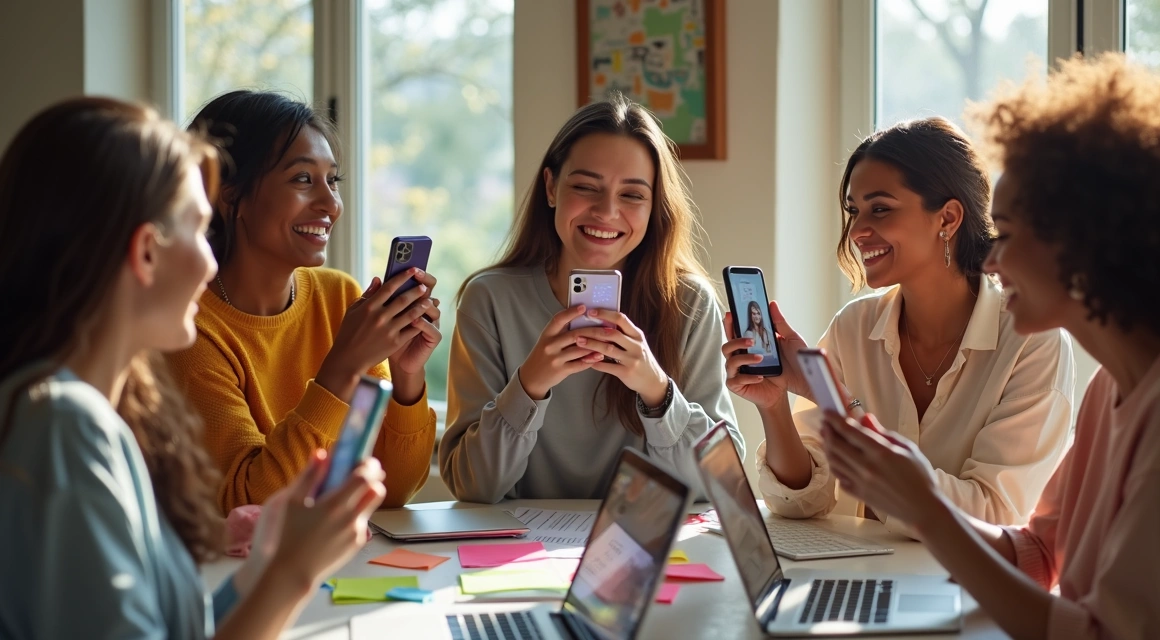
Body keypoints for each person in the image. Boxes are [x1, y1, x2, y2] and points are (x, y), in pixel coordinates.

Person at [821, 54, 1160, 639]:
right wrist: (917, 499)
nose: (995, 259)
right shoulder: (1116, 383)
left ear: (1081, 245)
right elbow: (1038, 553)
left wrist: (927, 509)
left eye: (1007, 235)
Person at [0, 97, 385, 639]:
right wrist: (292, 572)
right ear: (146, 253)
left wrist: (270, 555)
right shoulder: (63, 428)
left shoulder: (95, 414)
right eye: (199, 227)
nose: (211, 259)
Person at [723, 116, 1074, 537]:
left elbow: (993, 514)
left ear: (947, 218)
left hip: (968, 590)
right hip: (863, 576)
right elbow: (802, 502)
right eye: (854, 211)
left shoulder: (1031, 341)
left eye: (881, 209)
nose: (857, 231)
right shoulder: (853, 328)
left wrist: (835, 400)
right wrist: (774, 404)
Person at [441, 94, 742, 503]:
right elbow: (473, 486)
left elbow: (724, 484)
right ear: (551, 187)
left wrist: (656, 391)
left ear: (655, 206)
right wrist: (529, 385)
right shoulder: (490, 300)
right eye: (585, 187)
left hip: (644, 553)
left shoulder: (689, 303)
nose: (606, 211)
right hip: (518, 558)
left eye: (632, 195)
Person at [167, 91, 440, 512]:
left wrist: (406, 377)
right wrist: (342, 367)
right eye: (302, 179)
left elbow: (394, 488)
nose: (331, 205)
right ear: (228, 194)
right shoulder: (189, 329)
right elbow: (251, 504)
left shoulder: (339, 298)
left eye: (333, 181)